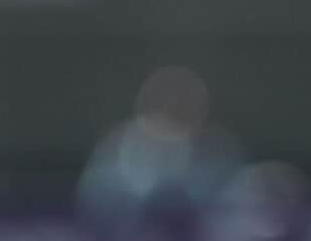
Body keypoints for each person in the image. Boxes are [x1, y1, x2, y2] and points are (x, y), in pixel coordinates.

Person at [77, 66, 238, 217]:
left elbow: (225, 203)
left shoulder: (217, 149)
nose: (171, 112)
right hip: (125, 236)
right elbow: (95, 198)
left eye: (182, 106)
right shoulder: (117, 146)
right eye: (165, 104)